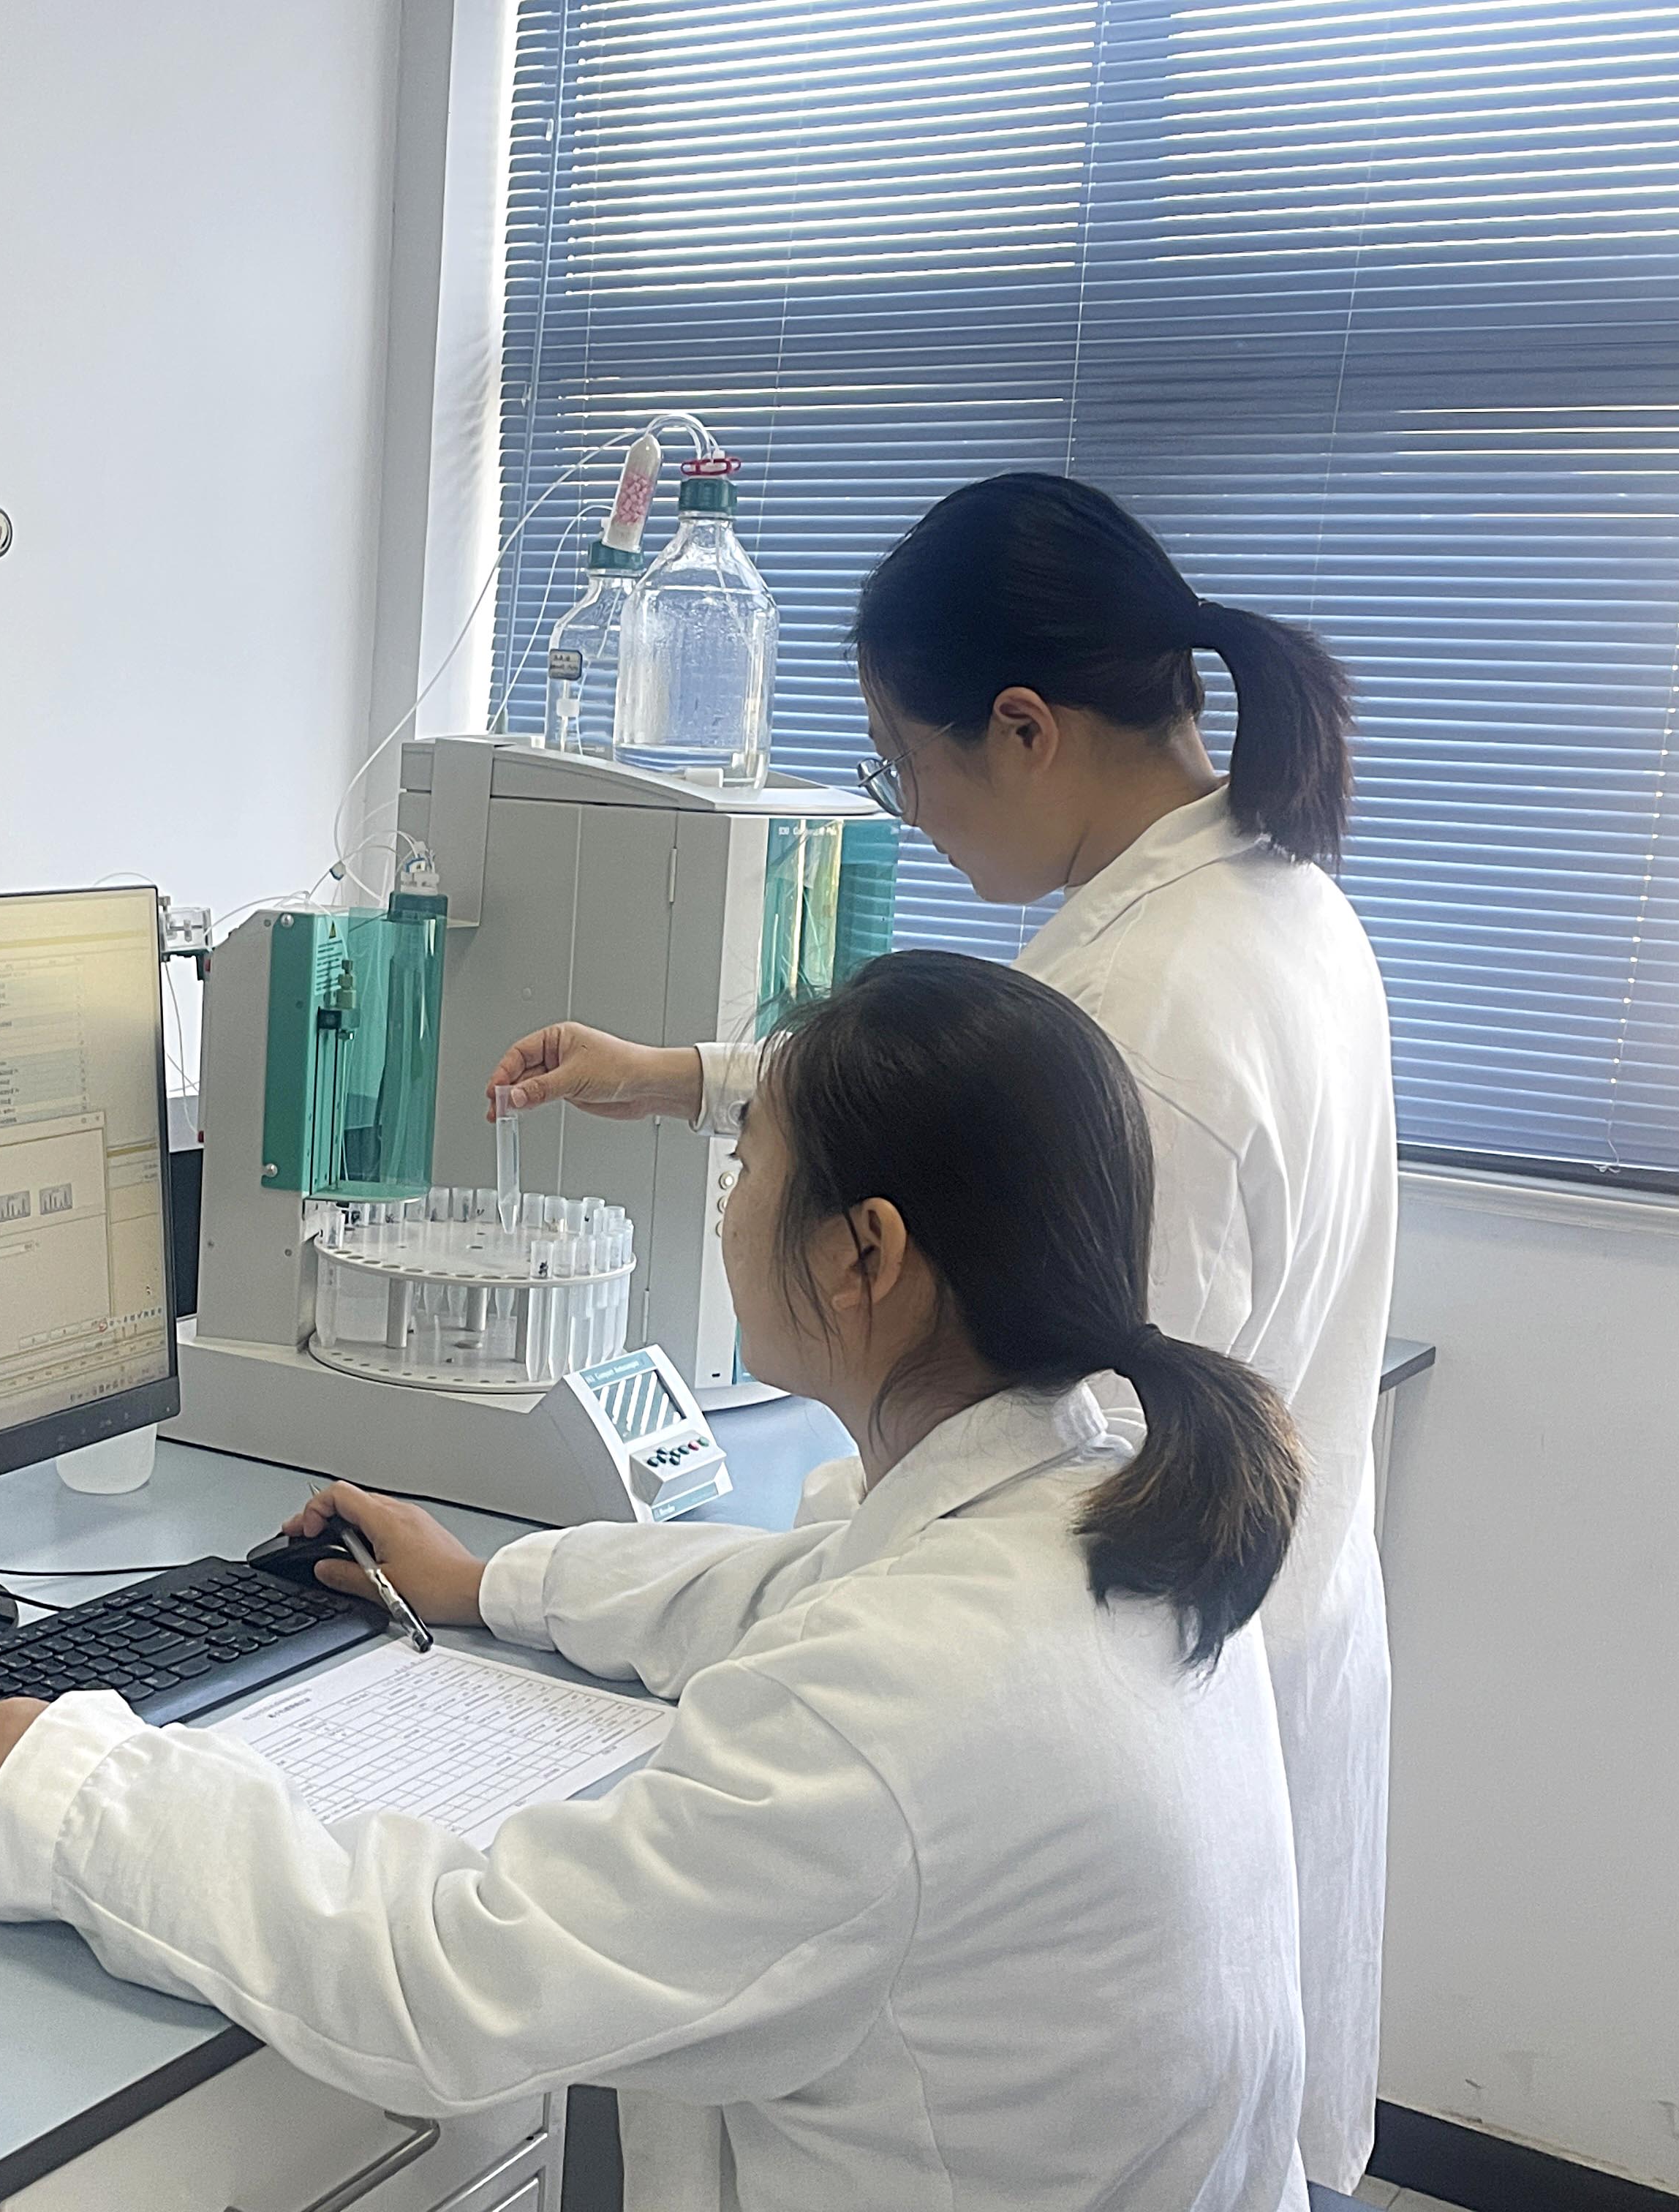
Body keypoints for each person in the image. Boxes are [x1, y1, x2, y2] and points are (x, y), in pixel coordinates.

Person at [0, 951, 1313, 2211]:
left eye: (749, 1167)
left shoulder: (902, 1709)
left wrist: (79, 1784)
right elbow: (801, 1594)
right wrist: (490, 1584)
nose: (729, 1205)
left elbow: (451, 1981)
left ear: (864, 1253)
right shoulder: (1112, 1502)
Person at [485, 472, 1397, 2193]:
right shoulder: (1266, 897)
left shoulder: (1157, 1016)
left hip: (1103, 1764)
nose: (906, 811)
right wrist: (693, 1079)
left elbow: (1006, 1469)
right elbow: (990, 1122)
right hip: (1204, 1689)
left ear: (1026, 728)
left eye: (903, 763)